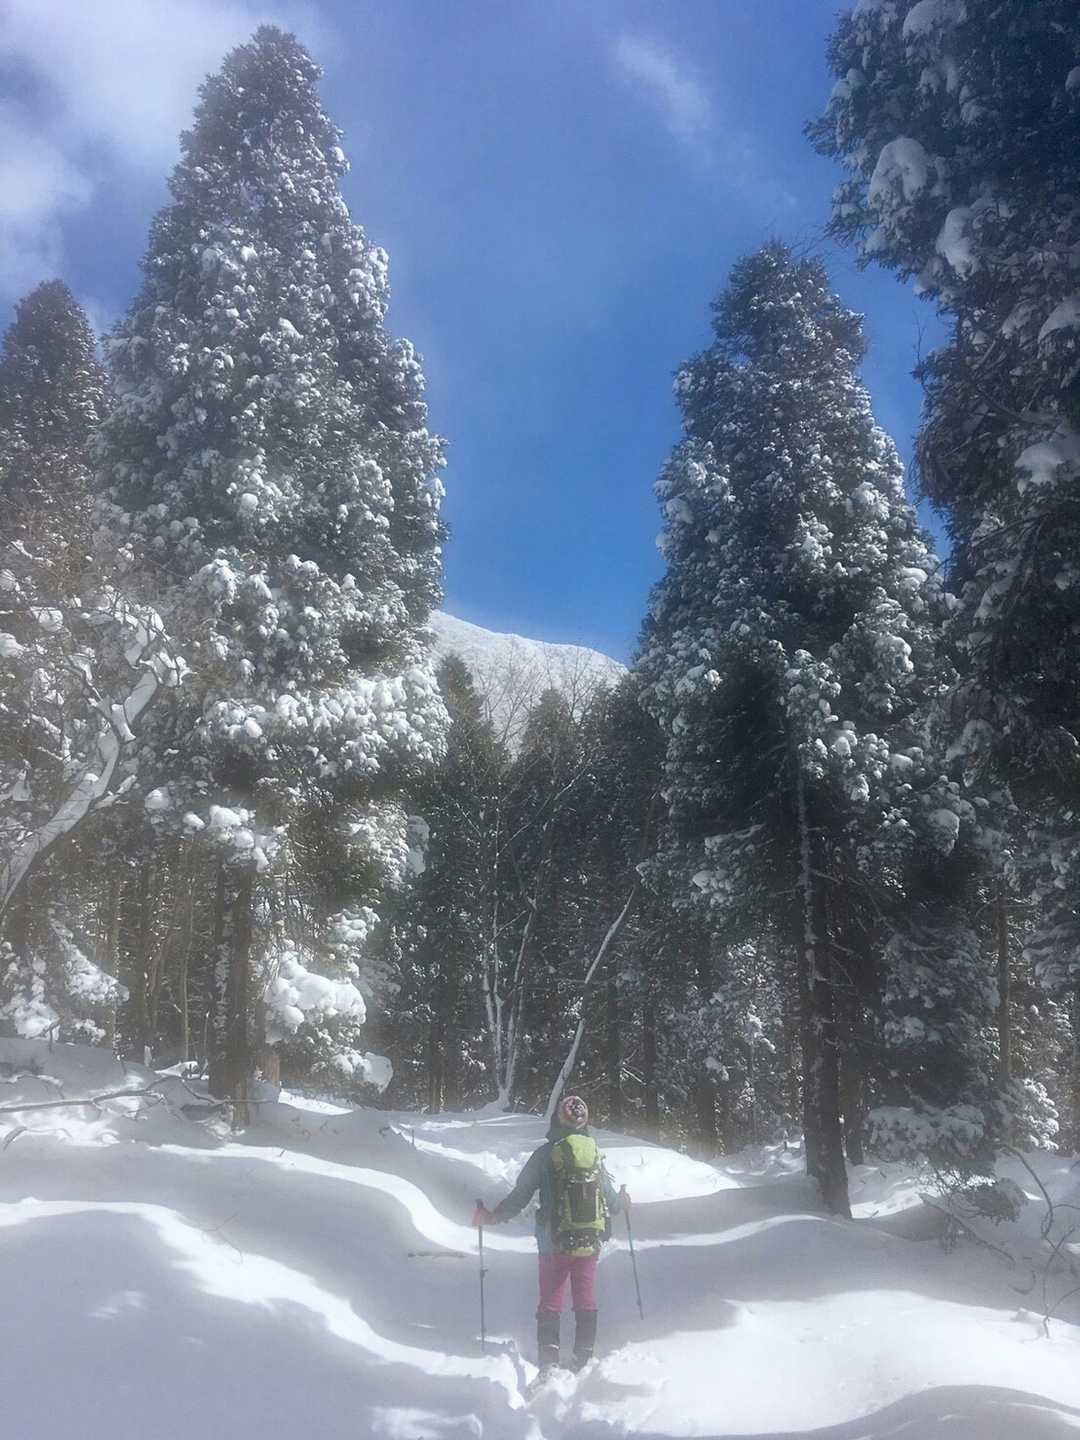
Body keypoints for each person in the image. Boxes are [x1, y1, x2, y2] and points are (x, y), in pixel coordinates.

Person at [473, 1094, 629, 1374]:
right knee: (585, 1295)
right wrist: (622, 1202)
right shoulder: (594, 1153)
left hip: (552, 1239)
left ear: (558, 1118)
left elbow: (521, 1195)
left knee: (551, 1300)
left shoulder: (545, 1154)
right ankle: (583, 1359)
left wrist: (493, 1216)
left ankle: (549, 1364)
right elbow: (610, 1199)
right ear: (585, 1121)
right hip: (590, 1239)